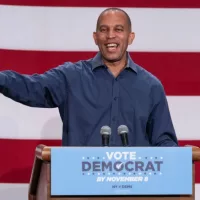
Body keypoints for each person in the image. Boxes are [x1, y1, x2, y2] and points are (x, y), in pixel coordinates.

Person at [0, 7, 178, 147]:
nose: (110, 35)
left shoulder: (151, 86)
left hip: (134, 189)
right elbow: (31, 88)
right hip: (81, 187)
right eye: (104, 30)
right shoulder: (71, 77)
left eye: (118, 29)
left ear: (130, 37)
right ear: (95, 37)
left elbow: (164, 141)